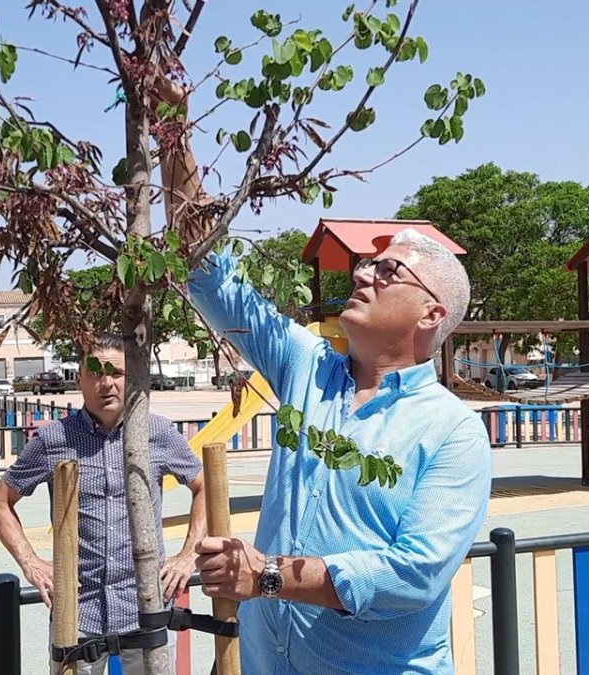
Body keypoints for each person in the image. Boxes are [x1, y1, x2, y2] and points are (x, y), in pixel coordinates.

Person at [185, 231, 493, 674]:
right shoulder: (306, 368)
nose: (362, 273)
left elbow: (413, 575)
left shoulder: (454, 431)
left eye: (389, 271)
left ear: (432, 313)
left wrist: (269, 576)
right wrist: (176, 166)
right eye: (368, 264)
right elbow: (216, 280)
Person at [0, 333, 207, 675]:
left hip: (145, 607)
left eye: (116, 373)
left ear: (129, 378)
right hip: (78, 613)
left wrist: (188, 555)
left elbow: (205, 487)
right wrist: (31, 564)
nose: (106, 384)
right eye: (95, 373)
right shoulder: (53, 439)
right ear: (80, 380)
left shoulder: (157, 433)